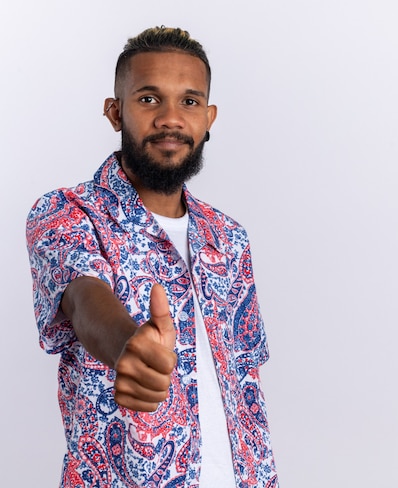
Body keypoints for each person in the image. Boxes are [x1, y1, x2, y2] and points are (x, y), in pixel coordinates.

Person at [26, 26, 278, 488]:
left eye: (189, 101)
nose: (170, 119)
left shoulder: (230, 238)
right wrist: (126, 346)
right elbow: (84, 297)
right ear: (115, 111)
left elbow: (246, 386)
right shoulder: (68, 212)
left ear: (208, 118)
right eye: (148, 99)